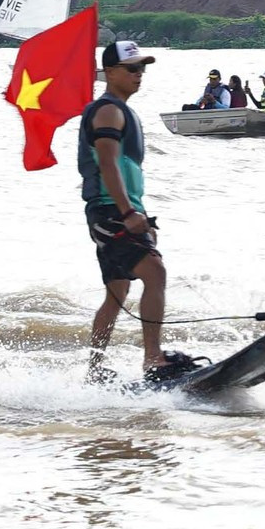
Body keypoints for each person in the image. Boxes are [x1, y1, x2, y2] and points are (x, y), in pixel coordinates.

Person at [80, 41, 200, 383]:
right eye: (132, 68)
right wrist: (129, 212)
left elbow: (121, 167)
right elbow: (107, 163)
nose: (139, 75)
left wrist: (139, 212)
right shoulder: (108, 111)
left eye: (142, 68)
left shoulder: (118, 109)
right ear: (111, 72)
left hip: (111, 210)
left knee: (117, 290)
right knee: (155, 273)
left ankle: (95, 368)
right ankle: (153, 360)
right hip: (111, 211)